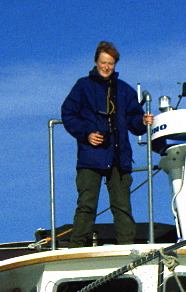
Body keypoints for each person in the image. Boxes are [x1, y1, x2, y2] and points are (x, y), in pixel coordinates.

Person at [61, 41, 154, 247]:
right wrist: (86, 134)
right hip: (90, 155)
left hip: (119, 156)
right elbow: (68, 113)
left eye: (110, 63)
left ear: (115, 65)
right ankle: (77, 247)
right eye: (103, 62)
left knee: (122, 206)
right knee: (86, 204)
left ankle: (127, 247)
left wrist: (142, 121)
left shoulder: (123, 90)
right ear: (96, 62)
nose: (106, 67)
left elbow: (133, 119)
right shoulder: (83, 86)